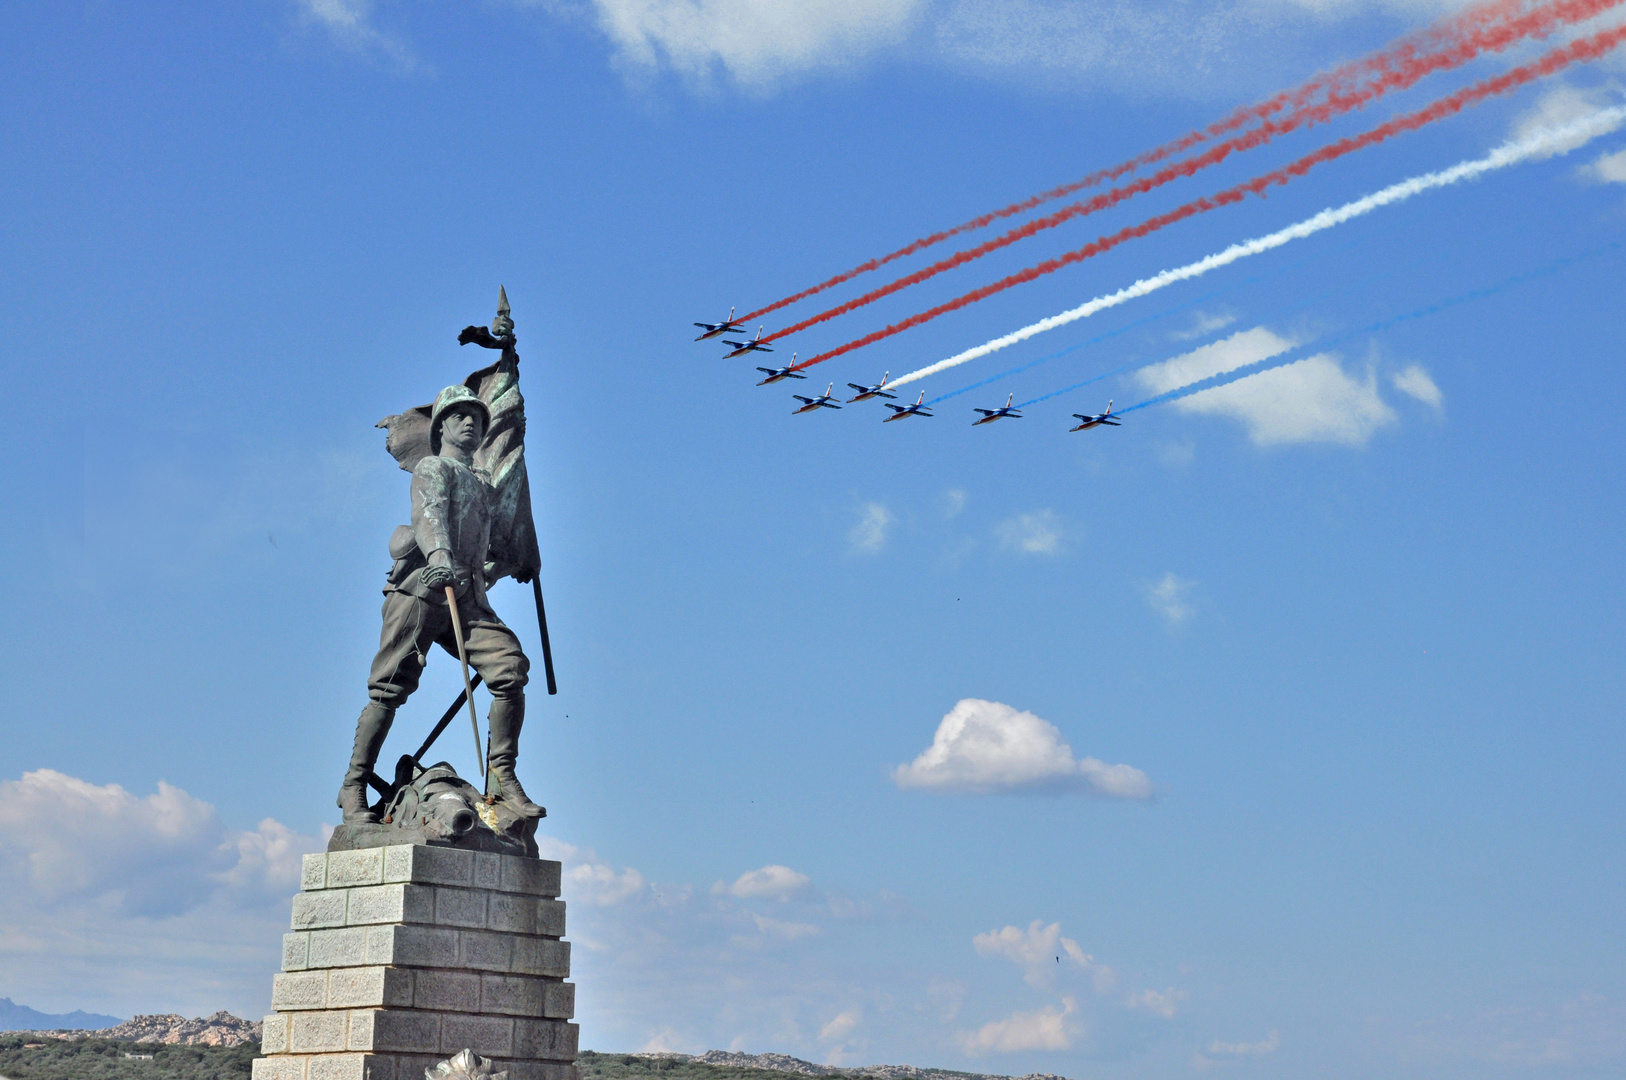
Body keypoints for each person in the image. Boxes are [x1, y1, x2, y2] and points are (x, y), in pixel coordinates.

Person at [338, 384, 542, 824]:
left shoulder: (482, 485)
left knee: (509, 669)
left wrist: (514, 560)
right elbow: (428, 515)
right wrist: (439, 556)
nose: (470, 422)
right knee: (389, 687)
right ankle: (354, 784)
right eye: (460, 416)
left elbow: (491, 546)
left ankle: (502, 777)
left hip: (466, 596)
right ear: (441, 427)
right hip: (422, 589)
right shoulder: (432, 468)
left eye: (478, 418)